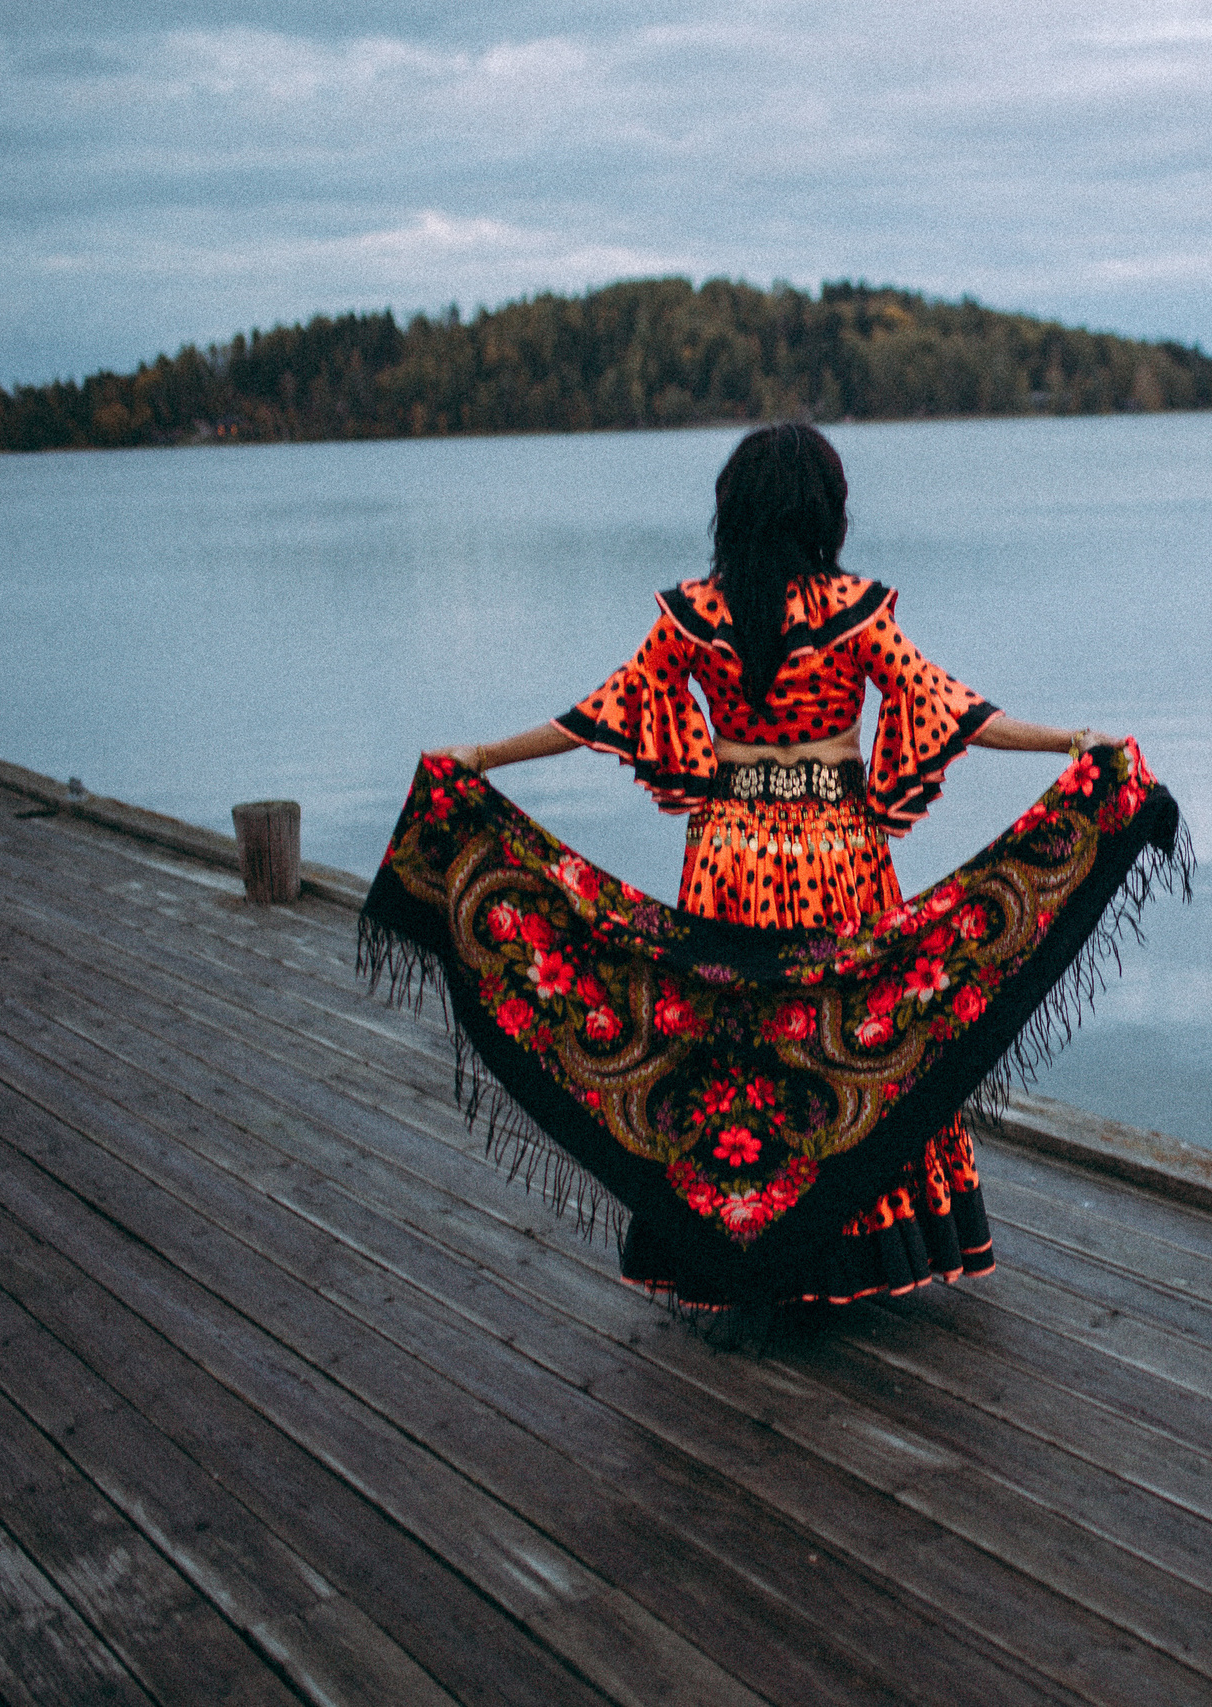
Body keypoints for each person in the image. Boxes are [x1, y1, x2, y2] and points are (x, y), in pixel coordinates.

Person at [412, 421, 1133, 1324]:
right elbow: (954, 708)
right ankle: (852, 1245)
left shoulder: (696, 614)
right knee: (856, 1028)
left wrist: (478, 756)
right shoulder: (856, 610)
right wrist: (1071, 740)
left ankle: (730, 1245)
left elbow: (598, 713)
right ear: (824, 511)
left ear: (735, 510)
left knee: (733, 1043)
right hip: (836, 850)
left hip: (729, 855)